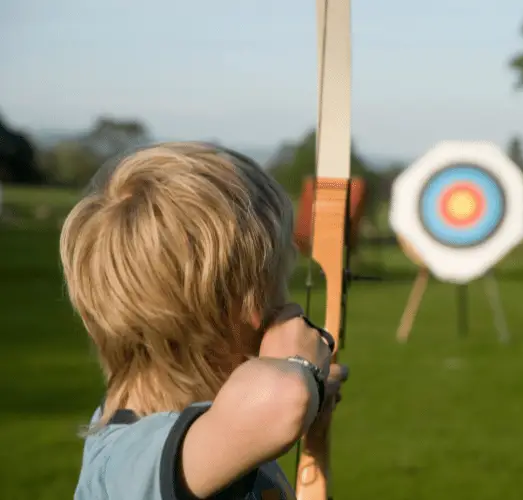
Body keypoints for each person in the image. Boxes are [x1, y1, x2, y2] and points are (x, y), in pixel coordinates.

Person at [60, 142, 348, 500]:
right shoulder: (129, 463)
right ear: (250, 302)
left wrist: (314, 431)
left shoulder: (223, 430)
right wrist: (299, 368)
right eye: (278, 283)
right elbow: (285, 398)